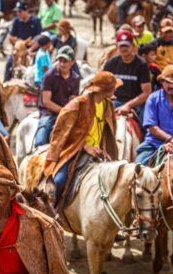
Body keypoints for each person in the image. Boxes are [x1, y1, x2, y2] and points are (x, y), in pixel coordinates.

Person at [44, 71, 120, 203]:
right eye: (112, 87)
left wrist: (105, 149)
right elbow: (61, 132)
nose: (115, 89)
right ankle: (51, 212)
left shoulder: (108, 105)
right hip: (74, 151)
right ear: (103, 89)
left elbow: (108, 132)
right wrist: (84, 146)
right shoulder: (78, 104)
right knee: (59, 181)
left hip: (99, 151)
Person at [34, 45, 80, 147]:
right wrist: (63, 111)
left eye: (65, 61)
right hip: (49, 113)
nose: (62, 64)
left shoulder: (75, 78)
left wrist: (69, 113)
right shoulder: (49, 76)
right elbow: (46, 102)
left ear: (72, 62)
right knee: (40, 142)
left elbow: (73, 100)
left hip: (66, 113)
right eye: (60, 60)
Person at [103, 29, 151, 120]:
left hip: (137, 103)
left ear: (133, 46)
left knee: (147, 125)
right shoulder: (111, 63)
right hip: (115, 101)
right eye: (121, 46)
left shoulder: (141, 65)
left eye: (126, 46)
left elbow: (146, 92)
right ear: (117, 46)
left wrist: (128, 105)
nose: (124, 48)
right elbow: (103, 87)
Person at [4, 0, 42, 81]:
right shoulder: (16, 21)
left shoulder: (35, 21)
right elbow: (11, 36)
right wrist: (19, 42)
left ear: (26, 11)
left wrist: (30, 47)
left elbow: (39, 36)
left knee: (37, 64)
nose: (18, 14)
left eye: (20, 11)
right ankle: (6, 82)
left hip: (32, 48)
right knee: (9, 62)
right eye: (17, 11)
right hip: (19, 48)